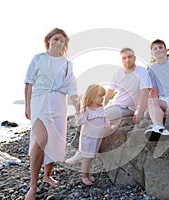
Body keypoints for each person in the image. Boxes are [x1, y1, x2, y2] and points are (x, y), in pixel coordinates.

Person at [65, 47, 152, 164]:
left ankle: (82, 152)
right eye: (124, 58)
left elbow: (145, 92)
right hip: (114, 103)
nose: (127, 60)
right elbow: (110, 92)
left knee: (98, 119)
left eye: (130, 57)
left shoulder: (141, 72)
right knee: (91, 115)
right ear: (121, 60)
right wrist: (101, 107)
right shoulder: (118, 73)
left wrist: (140, 113)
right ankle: (81, 150)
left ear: (135, 58)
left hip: (127, 108)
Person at [24, 28, 79, 200]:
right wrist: (27, 107)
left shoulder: (68, 65)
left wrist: (78, 109)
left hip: (59, 105)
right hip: (39, 103)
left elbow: (73, 91)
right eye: (55, 39)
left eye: (62, 41)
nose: (58, 42)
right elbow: (28, 83)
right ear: (48, 40)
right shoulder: (38, 59)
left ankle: (47, 175)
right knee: (41, 141)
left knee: (55, 140)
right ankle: (33, 186)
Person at [75, 84, 111, 186]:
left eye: (103, 96)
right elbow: (80, 122)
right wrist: (78, 112)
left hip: (96, 138)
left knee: (91, 158)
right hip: (87, 138)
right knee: (87, 158)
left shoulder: (101, 109)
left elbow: (105, 119)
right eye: (99, 96)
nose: (102, 98)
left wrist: (109, 126)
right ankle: (84, 176)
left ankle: (88, 174)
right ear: (91, 96)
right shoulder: (87, 109)